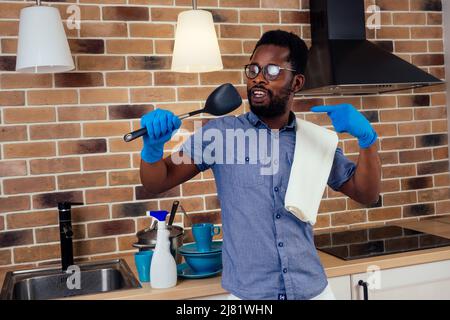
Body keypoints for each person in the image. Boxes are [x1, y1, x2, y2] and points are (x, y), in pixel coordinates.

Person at [139, 30, 381, 300]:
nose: (258, 79)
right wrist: (152, 149)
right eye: (253, 69)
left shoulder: (313, 139)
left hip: (312, 291)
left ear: (297, 82)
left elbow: (366, 193)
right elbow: (157, 181)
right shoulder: (219, 135)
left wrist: (367, 140)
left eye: (272, 71)